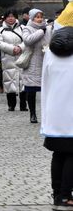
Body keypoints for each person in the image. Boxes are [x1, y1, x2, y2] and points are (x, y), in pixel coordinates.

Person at [41, 25, 73, 208]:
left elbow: (45, 81)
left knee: (59, 153)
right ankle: (66, 194)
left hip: (55, 111)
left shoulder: (50, 53)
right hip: (71, 111)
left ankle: (57, 194)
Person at [21, 8, 51, 124]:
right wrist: (41, 32)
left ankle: (46, 114)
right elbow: (28, 41)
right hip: (32, 63)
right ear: (32, 18)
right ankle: (32, 114)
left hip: (45, 61)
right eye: (37, 17)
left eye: (41, 17)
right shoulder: (27, 28)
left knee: (47, 91)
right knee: (31, 90)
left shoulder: (48, 29)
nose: (40, 19)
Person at [0, 10, 27, 111]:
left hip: (22, 58)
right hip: (8, 59)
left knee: (23, 82)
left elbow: (28, 40)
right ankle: (11, 104)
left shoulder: (22, 28)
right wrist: (12, 49)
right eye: (8, 16)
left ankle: (23, 104)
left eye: (13, 16)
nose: (11, 18)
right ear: (5, 18)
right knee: (9, 81)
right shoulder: (1, 30)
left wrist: (20, 47)